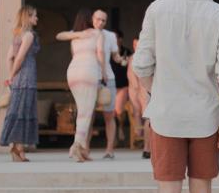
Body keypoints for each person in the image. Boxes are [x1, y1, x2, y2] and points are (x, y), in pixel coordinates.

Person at [134, 0, 219, 193]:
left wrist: (155, 92)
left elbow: (141, 64)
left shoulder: (157, 8)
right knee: (202, 192)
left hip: (166, 114)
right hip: (205, 116)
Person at [56, 8, 104, 162]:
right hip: (89, 71)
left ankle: (81, 149)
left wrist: (78, 35)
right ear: (90, 19)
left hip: (73, 72)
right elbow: (100, 55)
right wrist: (104, 75)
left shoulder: (74, 35)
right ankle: (76, 146)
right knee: (86, 112)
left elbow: (59, 36)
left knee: (82, 110)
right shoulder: (96, 33)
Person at [0, 5, 40, 162]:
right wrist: (12, 75)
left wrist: (12, 76)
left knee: (17, 112)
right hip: (27, 76)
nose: (37, 18)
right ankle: (19, 148)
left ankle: (17, 147)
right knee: (24, 112)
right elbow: (20, 57)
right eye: (35, 15)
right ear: (28, 17)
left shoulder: (17, 35)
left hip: (18, 79)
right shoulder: (29, 35)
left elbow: (9, 57)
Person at [91, 9, 124, 159]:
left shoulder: (110, 36)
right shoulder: (86, 34)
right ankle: (84, 148)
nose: (101, 22)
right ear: (93, 19)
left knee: (109, 115)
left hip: (108, 78)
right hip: (90, 78)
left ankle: (109, 149)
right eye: (98, 19)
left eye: (103, 20)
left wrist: (123, 60)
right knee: (88, 115)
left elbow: (115, 56)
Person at [126, 36, 152, 158]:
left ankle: (147, 146)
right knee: (144, 115)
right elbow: (131, 76)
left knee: (146, 116)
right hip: (140, 89)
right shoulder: (134, 58)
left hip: (145, 88)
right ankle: (145, 144)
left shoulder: (145, 56)